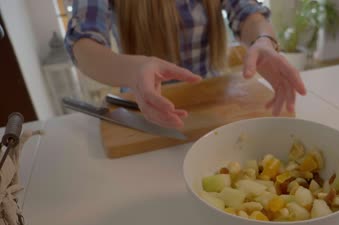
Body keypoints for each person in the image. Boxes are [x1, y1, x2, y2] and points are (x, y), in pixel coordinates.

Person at [65, 0, 306, 129]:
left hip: (212, 104)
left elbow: (248, 13)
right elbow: (84, 44)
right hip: (144, 107)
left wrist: (263, 40)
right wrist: (133, 70)